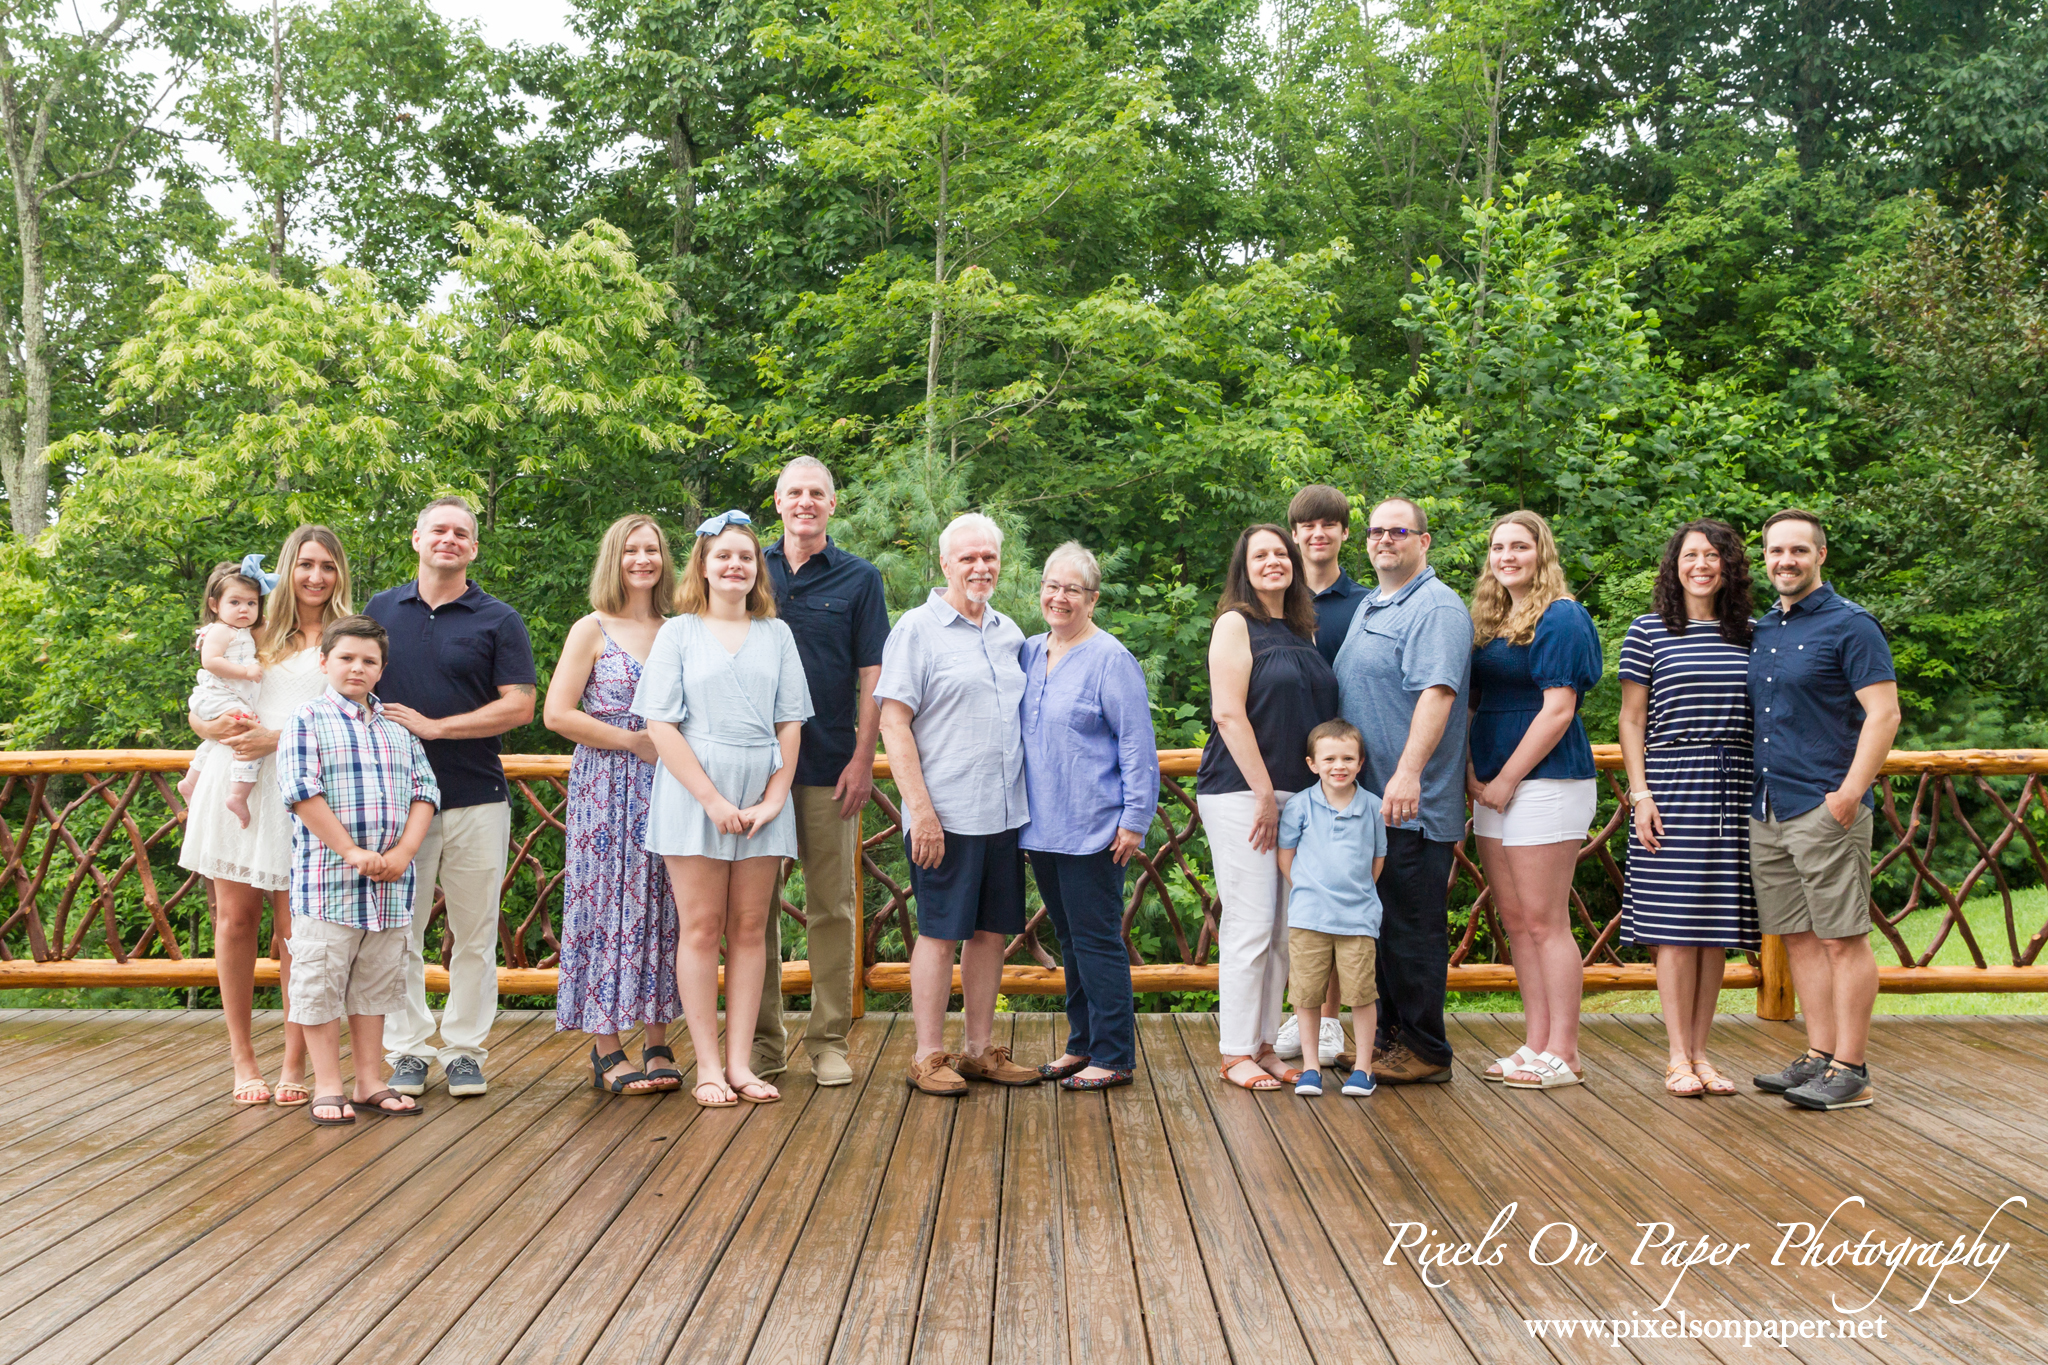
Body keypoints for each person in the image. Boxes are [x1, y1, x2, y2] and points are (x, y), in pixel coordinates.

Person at [634, 510, 814, 1108]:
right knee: (703, 928)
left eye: (745, 556)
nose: (734, 565)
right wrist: (710, 799)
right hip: (693, 792)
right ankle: (707, 1066)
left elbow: (790, 722)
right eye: (723, 556)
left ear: (756, 568)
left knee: (749, 930)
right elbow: (659, 723)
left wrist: (774, 797)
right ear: (704, 567)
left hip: (763, 792)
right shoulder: (679, 633)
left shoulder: (777, 634)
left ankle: (741, 1064)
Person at [367, 497, 538, 1100]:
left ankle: (465, 1050)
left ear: (473, 546)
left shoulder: (498, 618)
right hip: (396, 802)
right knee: (398, 933)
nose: (449, 539)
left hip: (475, 795)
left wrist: (436, 727)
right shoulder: (381, 611)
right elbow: (346, 680)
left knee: (475, 933)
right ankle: (408, 1051)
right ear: (415, 538)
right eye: (438, 529)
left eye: (461, 533)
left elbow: (520, 705)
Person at [181, 524, 354, 1108]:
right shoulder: (251, 628)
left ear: (339, 574)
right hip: (238, 780)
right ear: (287, 567)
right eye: (305, 564)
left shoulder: (344, 636)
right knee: (233, 921)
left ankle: (293, 1062)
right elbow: (205, 698)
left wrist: (278, 740)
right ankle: (241, 1058)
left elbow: (351, 718)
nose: (315, 576)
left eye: (327, 566)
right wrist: (209, 728)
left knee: (296, 935)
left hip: (303, 788)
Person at [877, 512, 1042, 1096]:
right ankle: (927, 1055)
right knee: (940, 934)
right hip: (943, 815)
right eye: (967, 557)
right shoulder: (916, 630)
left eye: (988, 557)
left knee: (992, 933)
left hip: (1003, 814)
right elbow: (893, 723)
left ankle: (977, 1051)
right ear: (944, 563)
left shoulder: (1009, 633)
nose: (980, 567)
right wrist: (919, 812)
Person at [1747, 509, 1899, 1112]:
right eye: (1776, 551)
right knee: (1800, 938)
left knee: (1843, 939)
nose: (1786, 561)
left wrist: (1850, 793)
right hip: (1768, 804)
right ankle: (1819, 1054)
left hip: (1822, 804)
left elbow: (1883, 714)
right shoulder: (1762, 628)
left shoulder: (1851, 625)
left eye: (1798, 551)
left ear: (1821, 556)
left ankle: (1852, 1067)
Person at [755, 457, 890, 1089]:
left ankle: (829, 1041)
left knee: (832, 907)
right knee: (752, 912)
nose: (805, 502)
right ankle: (762, 1043)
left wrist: (864, 758)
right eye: (794, 493)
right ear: (777, 503)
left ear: (832, 505)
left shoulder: (861, 580)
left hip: (831, 767)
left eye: (817, 493)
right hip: (752, 772)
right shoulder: (745, 567)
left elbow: (874, 677)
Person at [1329, 497, 1470, 1085]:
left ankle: (1426, 1049)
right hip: (1370, 804)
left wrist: (1409, 772)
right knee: (1380, 929)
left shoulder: (1435, 607)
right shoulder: (1373, 603)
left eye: (1398, 531)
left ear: (1424, 541)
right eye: (1376, 532)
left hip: (1409, 804)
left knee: (1412, 931)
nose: (1385, 540)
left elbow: (1437, 694)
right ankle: (1386, 1038)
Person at [276, 615, 439, 1125]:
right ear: (324, 662)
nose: (357, 667)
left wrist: (405, 852)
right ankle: (328, 1083)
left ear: (382, 670)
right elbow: (302, 792)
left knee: (374, 985)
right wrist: (349, 850)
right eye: (346, 657)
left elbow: (425, 791)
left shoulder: (397, 728)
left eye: (369, 661)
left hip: (391, 886)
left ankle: (369, 1080)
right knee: (320, 982)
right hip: (329, 883)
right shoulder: (307, 719)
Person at [543, 515, 685, 1096]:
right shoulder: (591, 628)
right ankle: (606, 1045)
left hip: (671, 783)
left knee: (661, 903)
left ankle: (657, 1038)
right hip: (606, 783)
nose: (643, 560)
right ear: (614, 559)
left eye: (652, 550)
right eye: (631, 550)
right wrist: (631, 740)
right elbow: (556, 714)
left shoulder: (681, 628)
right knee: (604, 903)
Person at [1618, 519, 1759, 1098]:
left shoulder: (1755, 633)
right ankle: (1676, 1057)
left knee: (1714, 930)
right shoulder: (1649, 631)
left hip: (1737, 787)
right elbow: (1630, 721)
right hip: (1670, 786)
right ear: (1674, 565)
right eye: (1690, 555)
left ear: (1730, 565)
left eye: (1713, 555)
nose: (1701, 564)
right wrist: (1641, 795)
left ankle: (1703, 1055)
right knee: (1675, 929)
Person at [1197, 523, 1340, 1092]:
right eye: (1261, 555)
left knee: (1282, 930)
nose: (1273, 562)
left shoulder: (1302, 629)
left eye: (1281, 553)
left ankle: (1261, 1042)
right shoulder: (1235, 624)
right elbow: (1229, 714)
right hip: (1242, 793)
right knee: (1251, 924)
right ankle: (1234, 1052)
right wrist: (1263, 795)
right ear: (1245, 566)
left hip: (1294, 800)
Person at [1466, 510, 1603, 1090]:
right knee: (1517, 922)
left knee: (1547, 922)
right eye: (1498, 547)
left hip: (1546, 781)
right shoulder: (1493, 618)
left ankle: (1566, 1051)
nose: (1507, 556)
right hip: (1492, 783)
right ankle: (1536, 1041)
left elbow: (1558, 710)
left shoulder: (1562, 616)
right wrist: (1474, 772)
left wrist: (1505, 780)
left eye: (1520, 546)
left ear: (1541, 552)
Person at [1019, 543, 1159, 1091]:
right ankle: (1082, 1043)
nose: (1060, 597)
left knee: (1098, 941)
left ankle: (1114, 1055)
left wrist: (1135, 820)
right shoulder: (1029, 652)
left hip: (1095, 828)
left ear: (1093, 599)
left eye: (1072, 589)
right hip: (1040, 827)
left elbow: (1137, 746)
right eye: (1052, 587)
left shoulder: (1111, 659)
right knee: (1071, 940)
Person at [1277, 483, 1371, 1064]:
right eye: (1307, 526)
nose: (1318, 534)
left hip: (1342, 770)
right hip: (1285, 762)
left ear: (1342, 533)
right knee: (1293, 895)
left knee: (1338, 888)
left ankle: (1331, 1023)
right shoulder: (1274, 598)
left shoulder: (1363, 603)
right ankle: (1296, 1014)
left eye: (1329, 525)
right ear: (1294, 534)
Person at [1278, 720, 1386, 1099]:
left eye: (1347, 758)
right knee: (1306, 994)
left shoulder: (1373, 806)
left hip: (1358, 919)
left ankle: (1363, 1069)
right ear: (1313, 763)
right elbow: (1286, 857)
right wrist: (1312, 891)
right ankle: (1310, 1068)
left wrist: (1355, 894)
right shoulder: (1299, 805)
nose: (1338, 765)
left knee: (1361, 993)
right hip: (1309, 917)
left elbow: (1377, 860)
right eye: (1329, 758)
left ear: (1360, 763)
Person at [177, 560, 268, 829]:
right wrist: (246, 672)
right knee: (249, 731)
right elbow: (211, 661)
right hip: (217, 696)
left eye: (251, 603)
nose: (244, 609)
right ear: (215, 605)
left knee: (219, 740)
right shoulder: (220, 630)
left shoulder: (242, 631)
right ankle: (237, 795)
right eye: (235, 602)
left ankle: (190, 781)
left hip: (226, 697)